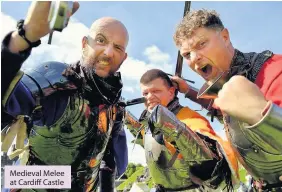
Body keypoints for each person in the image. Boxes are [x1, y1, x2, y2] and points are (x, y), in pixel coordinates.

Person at [1, 2, 129, 191]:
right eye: (101, 40)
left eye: (117, 47)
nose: (108, 52)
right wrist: (22, 39)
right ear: (85, 44)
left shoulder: (115, 106)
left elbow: (112, 163)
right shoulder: (57, 80)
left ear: (124, 57)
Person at [171, 9, 282, 191]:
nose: (194, 58)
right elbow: (217, 106)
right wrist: (187, 90)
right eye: (186, 55)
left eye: (201, 44)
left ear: (225, 36)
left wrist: (263, 116)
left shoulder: (275, 69)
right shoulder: (224, 85)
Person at [125, 69, 240, 192]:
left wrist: (172, 126)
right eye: (145, 93)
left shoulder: (189, 118)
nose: (149, 97)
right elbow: (150, 143)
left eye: (156, 91)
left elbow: (211, 163)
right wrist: (122, 116)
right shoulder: (148, 125)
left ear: (171, 92)